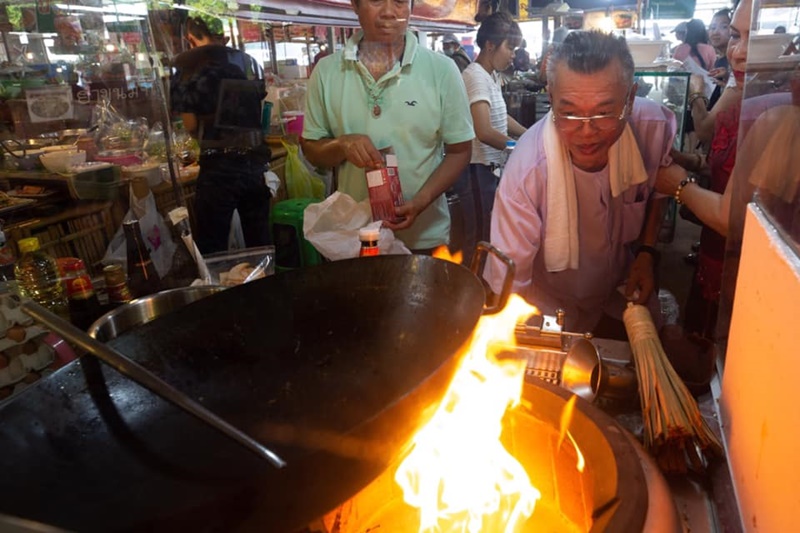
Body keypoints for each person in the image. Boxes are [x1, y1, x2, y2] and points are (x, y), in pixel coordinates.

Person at [487, 30, 678, 336]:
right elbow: (507, 281)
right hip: (551, 304)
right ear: (551, 98)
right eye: (569, 113)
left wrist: (647, 251)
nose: (587, 132)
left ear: (630, 98)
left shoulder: (650, 126)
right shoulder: (527, 170)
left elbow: (658, 189)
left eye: (604, 113)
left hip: (621, 290)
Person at [301, 0, 474, 253]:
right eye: (376, 1)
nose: (389, 12)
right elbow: (311, 149)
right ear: (355, 5)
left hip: (425, 237)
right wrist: (341, 145)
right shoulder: (327, 72)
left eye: (400, 2)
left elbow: (460, 150)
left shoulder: (442, 70)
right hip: (356, 237)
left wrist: (421, 201)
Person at [170, 17, 272, 254]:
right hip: (254, 163)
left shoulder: (186, 68)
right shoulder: (244, 64)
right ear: (222, 36)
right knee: (259, 242)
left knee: (212, 246)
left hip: (219, 167)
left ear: (189, 38)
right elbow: (255, 111)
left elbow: (190, 124)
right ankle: (265, 276)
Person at [453, 12, 527, 264]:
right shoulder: (475, 76)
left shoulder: (490, 75)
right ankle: (471, 284)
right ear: (490, 45)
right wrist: (517, 147)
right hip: (476, 169)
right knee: (479, 238)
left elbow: (500, 117)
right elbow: (483, 130)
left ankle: (482, 282)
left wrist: (529, 136)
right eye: (510, 48)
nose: (513, 55)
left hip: (488, 170)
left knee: (487, 234)